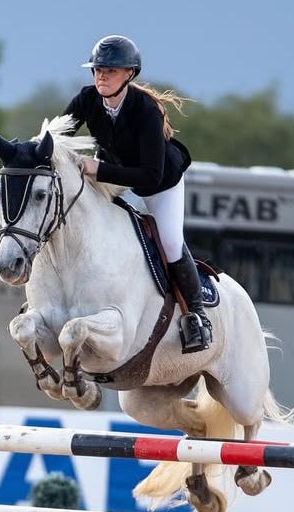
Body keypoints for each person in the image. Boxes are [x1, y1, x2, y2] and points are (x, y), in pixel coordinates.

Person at [63, 35, 211, 354]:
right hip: (116, 176)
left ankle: (197, 318)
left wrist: (97, 169)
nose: (101, 75)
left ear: (129, 74)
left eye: (110, 70)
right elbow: (56, 137)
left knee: (170, 242)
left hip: (159, 183)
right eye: (98, 69)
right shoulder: (86, 99)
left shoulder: (146, 111)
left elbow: (149, 175)